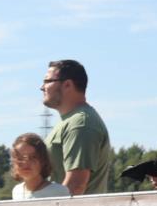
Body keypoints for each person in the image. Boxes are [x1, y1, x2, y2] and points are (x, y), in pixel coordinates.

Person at [41, 59, 112, 195]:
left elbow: (76, 185)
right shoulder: (72, 121)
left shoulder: (80, 124)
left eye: (47, 81)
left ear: (67, 85)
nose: (42, 87)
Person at [10, 133, 71, 200]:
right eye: (20, 158)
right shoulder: (16, 191)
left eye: (33, 157)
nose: (26, 162)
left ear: (43, 161)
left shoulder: (59, 191)